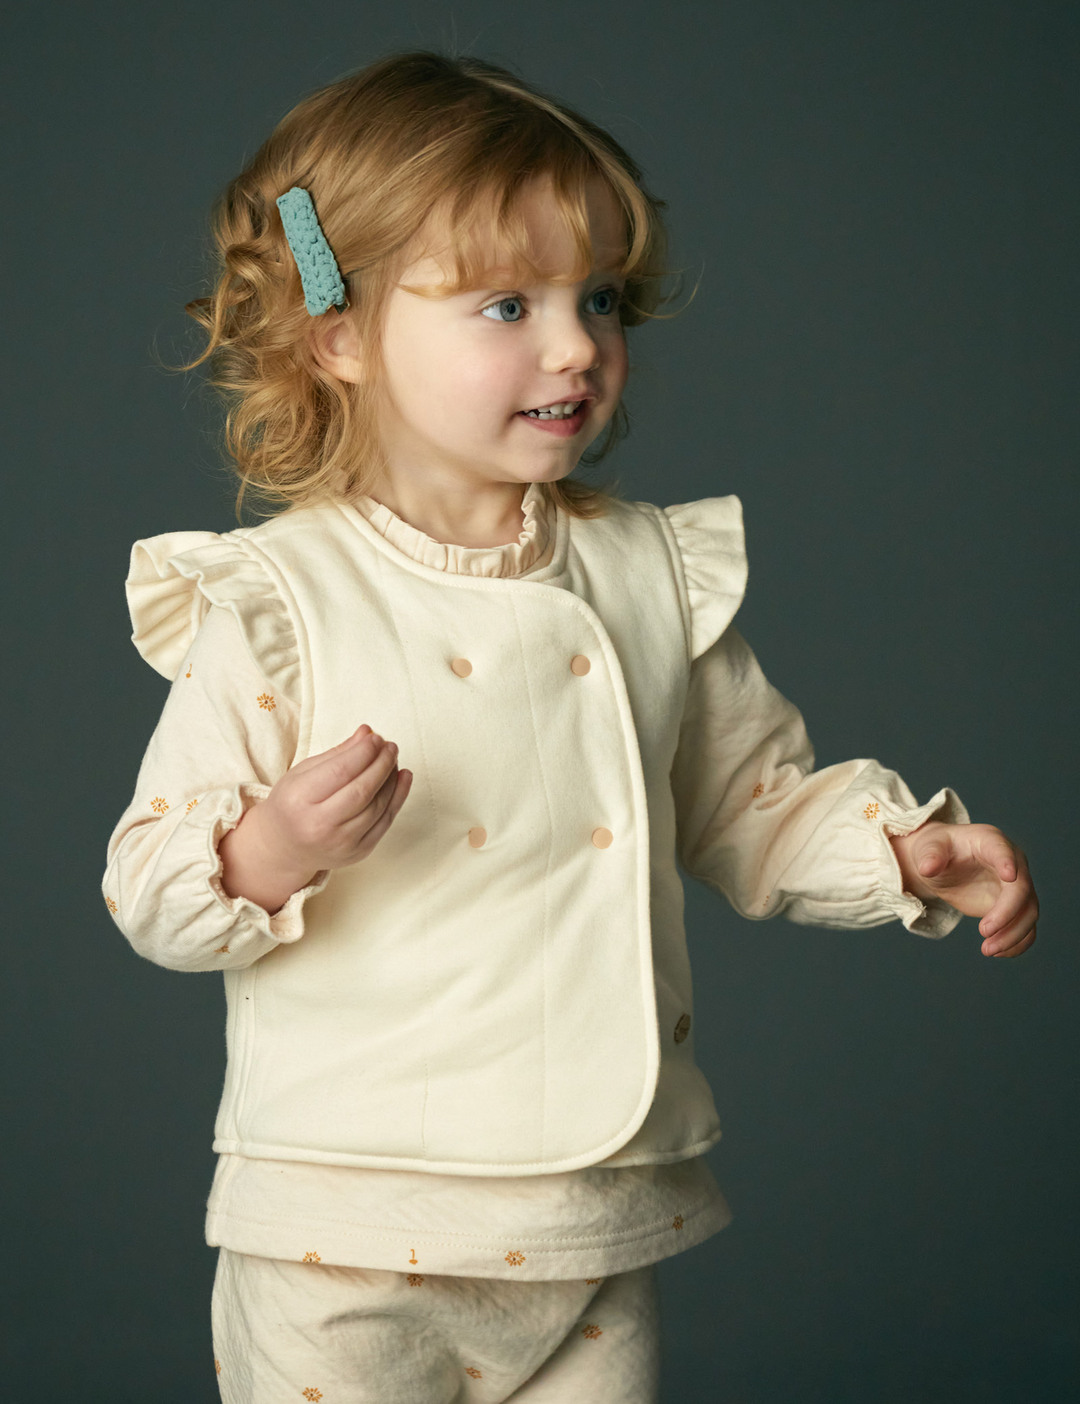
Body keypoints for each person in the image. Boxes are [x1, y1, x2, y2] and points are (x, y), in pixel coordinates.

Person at [103, 49, 1038, 1404]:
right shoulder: (282, 602)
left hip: (596, 1214)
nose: (576, 345)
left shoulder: (645, 574)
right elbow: (147, 884)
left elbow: (750, 801)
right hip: (344, 1228)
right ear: (338, 334)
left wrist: (895, 851)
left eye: (597, 297)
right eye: (507, 303)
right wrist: (265, 852)